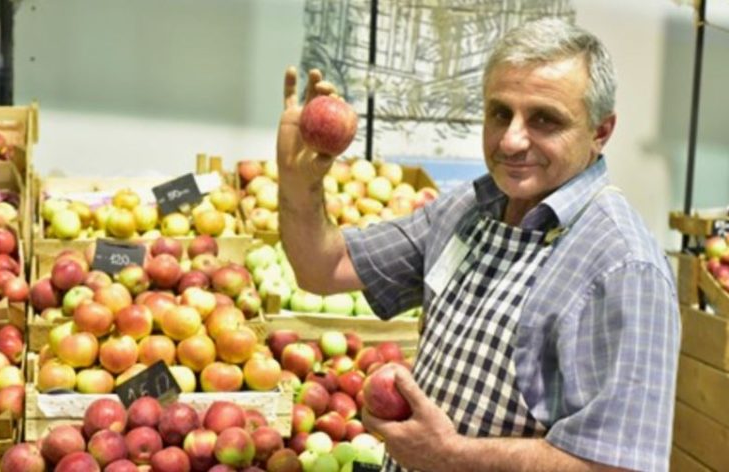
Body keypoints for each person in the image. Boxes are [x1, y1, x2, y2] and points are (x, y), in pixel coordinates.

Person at [276, 17, 679, 472]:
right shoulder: (469, 208)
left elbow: (622, 466)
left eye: (544, 119)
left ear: (600, 132)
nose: (511, 139)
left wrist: (451, 457)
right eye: (500, 112)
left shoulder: (623, 267)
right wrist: (298, 183)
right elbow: (323, 268)